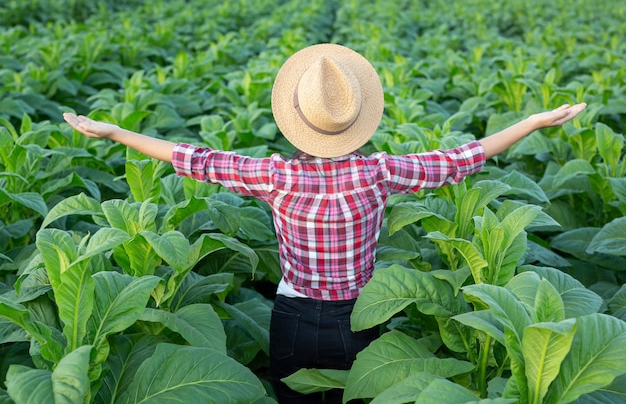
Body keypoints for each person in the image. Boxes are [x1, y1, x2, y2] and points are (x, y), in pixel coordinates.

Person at [63, 43, 586, 404]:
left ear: (297, 121)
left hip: (292, 316)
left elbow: (195, 158)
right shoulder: (379, 171)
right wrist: (532, 121)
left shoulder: (275, 176)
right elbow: (459, 159)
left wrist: (115, 134)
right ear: (356, 124)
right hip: (361, 318)